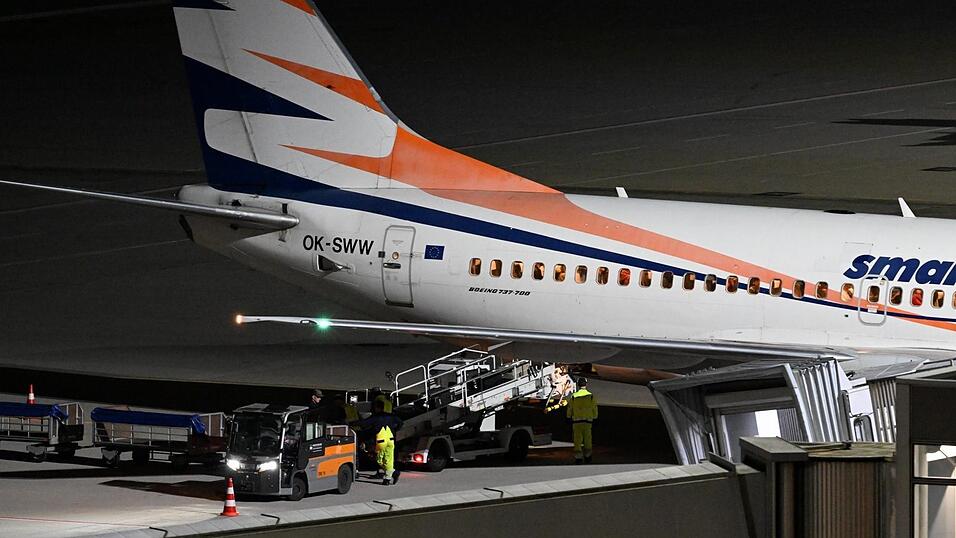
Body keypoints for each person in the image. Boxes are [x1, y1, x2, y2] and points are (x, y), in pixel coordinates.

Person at [354, 399, 403, 485]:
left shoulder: (375, 417)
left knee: (379, 460)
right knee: (389, 460)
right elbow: (401, 423)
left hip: (381, 441)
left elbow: (364, 424)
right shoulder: (391, 416)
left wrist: (353, 423)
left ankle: (393, 473)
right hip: (391, 440)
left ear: (377, 408)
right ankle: (388, 478)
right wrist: (395, 430)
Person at [566, 377, 598, 464]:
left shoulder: (574, 396)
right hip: (587, 422)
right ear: (586, 384)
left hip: (577, 422)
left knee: (577, 440)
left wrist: (569, 416)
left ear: (578, 385)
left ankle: (578, 458)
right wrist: (594, 416)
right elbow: (594, 407)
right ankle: (588, 456)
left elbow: (570, 408)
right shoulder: (590, 396)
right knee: (587, 439)